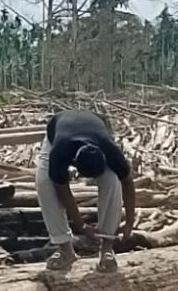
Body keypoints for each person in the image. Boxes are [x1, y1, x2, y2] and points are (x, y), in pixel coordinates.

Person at [36, 108, 136, 270]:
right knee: (44, 182)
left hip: (97, 129)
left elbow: (128, 183)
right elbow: (63, 190)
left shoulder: (110, 150)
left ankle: (107, 248)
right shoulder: (59, 152)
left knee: (112, 181)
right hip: (58, 130)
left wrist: (130, 222)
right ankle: (65, 250)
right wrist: (81, 225)